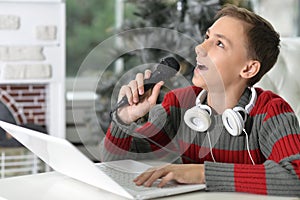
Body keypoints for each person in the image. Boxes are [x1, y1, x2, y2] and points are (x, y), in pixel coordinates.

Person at [100, 5, 300, 196]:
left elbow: (296, 176)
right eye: (206, 37)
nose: (200, 48)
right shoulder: (179, 104)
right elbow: (116, 163)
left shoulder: (272, 112)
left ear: (248, 69)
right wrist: (123, 119)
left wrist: (202, 174)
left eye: (219, 43)